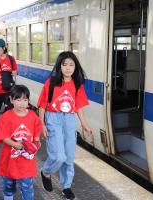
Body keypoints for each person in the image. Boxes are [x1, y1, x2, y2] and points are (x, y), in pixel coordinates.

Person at [37, 51, 93, 200]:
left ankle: (66, 186)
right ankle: (46, 171)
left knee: (69, 157)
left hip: (69, 119)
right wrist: (42, 124)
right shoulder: (51, 82)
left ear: (75, 67)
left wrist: (85, 125)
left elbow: (78, 106)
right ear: (59, 66)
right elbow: (42, 105)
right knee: (59, 156)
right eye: (64, 65)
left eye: (71, 65)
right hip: (53, 118)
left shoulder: (77, 84)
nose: (68, 68)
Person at [0, 85, 41, 200]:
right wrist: (16, 145)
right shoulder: (5, 117)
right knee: (8, 184)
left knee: (27, 186)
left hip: (27, 160)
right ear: (11, 100)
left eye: (25, 100)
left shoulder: (33, 116)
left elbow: (36, 133)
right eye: (18, 100)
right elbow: (3, 136)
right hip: (9, 160)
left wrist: (36, 143)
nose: (22, 103)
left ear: (28, 101)